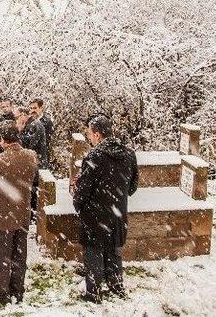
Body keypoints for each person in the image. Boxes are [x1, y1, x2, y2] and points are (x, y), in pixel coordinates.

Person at [72, 114, 138, 303]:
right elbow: (132, 187)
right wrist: (116, 197)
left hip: (94, 215)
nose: (89, 138)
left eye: (90, 134)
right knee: (114, 252)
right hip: (117, 213)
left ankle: (93, 293)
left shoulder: (94, 156)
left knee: (93, 253)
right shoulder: (128, 153)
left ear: (98, 135)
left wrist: (79, 204)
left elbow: (83, 190)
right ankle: (116, 286)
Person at [0, 121, 38, 305]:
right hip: (22, 212)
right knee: (19, 254)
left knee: (2, 254)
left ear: (2, 140)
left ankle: (3, 292)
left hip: (2, 214)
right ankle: (18, 289)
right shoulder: (31, 156)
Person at [15, 106, 47, 217]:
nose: (16, 120)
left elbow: (28, 146)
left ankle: (33, 216)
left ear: (23, 115)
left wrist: (19, 131)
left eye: (17, 117)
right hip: (32, 163)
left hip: (36, 164)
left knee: (33, 191)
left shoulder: (35, 125)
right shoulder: (30, 125)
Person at [29, 98, 54, 164]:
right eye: (31, 108)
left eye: (35, 108)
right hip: (30, 155)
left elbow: (46, 141)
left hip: (41, 155)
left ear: (41, 108)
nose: (32, 110)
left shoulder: (47, 121)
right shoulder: (30, 120)